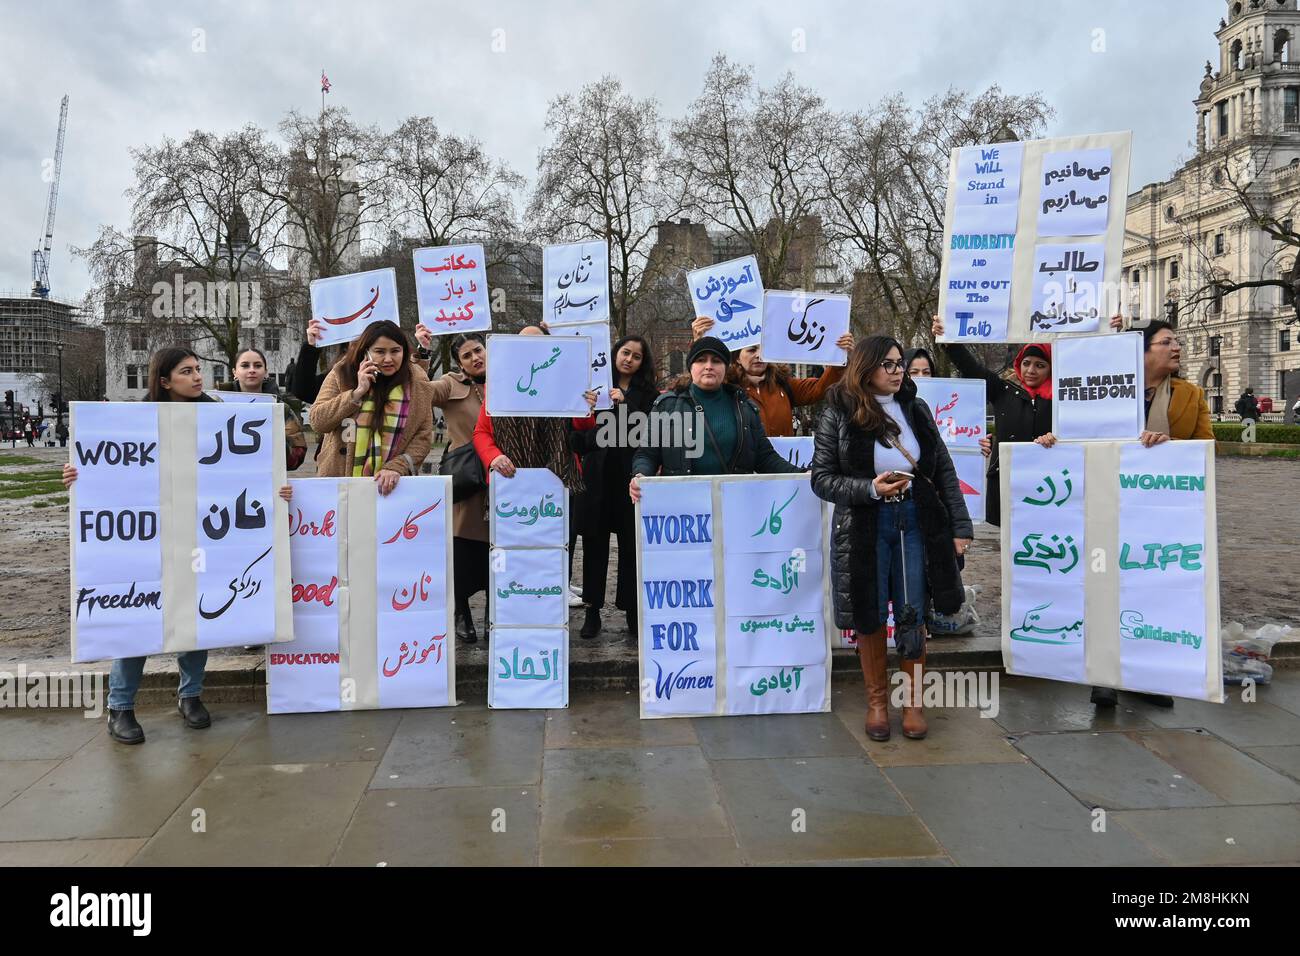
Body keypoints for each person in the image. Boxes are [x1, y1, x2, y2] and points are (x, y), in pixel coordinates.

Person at [61, 347, 293, 745]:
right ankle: (121, 707)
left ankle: (190, 696)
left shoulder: (220, 418)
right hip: (148, 537)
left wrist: (276, 490)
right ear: (165, 380)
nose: (198, 377)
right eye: (187, 372)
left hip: (203, 534)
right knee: (139, 618)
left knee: (196, 613)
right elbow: (108, 470)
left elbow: (251, 470)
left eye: (199, 369)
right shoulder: (131, 424)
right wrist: (77, 476)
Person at [1044, 319, 1212, 710]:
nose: (1177, 347)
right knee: (1106, 588)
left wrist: (1170, 447)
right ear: (1144, 349)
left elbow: (1207, 450)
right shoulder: (1106, 388)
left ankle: (1145, 675)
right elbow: (1077, 435)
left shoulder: (1191, 394)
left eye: (1178, 341)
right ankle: (1104, 678)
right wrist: (1051, 441)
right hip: (1107, 504)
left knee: (1151, 592)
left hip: (1160, 512)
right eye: (1167, 341)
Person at [811, 335, 973, 741]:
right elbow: (822, 478)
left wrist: (959, 527)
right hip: (865, 525)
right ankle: (878, 703)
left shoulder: (915, 409)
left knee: (912, 609)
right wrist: (869, 489)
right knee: (869, 612)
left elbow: (944, 472)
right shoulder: (839, 410)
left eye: (901, 363)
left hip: (916, 520)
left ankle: (913, 704)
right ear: (866, 367)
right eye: (889, 364)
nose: (898, 371)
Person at [629, 336, 802, 501]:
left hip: (734, 504)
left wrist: (802, 475)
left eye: (716, 361)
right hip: (683, 506)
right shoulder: (666, 406)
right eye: (701, 360)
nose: (709, 366)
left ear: (726, 368)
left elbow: (765, 457)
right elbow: (647, 454)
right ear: (691, 367)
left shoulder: (745, 408)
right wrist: (640, 475)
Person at [569, 334, 658, 639]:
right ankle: (592, 610)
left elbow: (653, 431)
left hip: (632, 479)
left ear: (642, 362)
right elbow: (576, 439)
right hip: (596, 479)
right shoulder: (592, 387)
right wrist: (589, 413)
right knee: (594, 546)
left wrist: (627, 404)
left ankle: (632, 610)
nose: (629, 359)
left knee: (632, 548)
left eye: (636, 356)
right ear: (615, 353)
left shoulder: (648, 394)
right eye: (625, 352)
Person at [930, 314, 1052, 526]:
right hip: (1006, 481)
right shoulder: (1003, 390)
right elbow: (971, 368)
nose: (1031, 370)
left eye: (1040, 365)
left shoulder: (1061, 398)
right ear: (1018, 364)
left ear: (1051, 368)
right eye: (1027, 363)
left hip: (1047, 483)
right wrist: (949, 341)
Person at [413, 325, 491, 644]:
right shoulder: (450, 384)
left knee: (497, 550)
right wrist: (421, 353)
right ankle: (461, 611)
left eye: (478, 350)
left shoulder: (510, 378)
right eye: (467, 355)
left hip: (503, 476)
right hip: (467, 477)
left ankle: (494, 612)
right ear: (459, 363)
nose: (474, 357)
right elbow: (419, 393)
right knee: (462, 548)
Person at [308, 321, 435, 494]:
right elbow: (317, 421)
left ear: (404, 352)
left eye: (395, 351)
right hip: (340, 485)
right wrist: (356, 393)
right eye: (380, 352)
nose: (388, 359)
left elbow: (423, 436)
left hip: (392, 488)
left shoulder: (418, 382)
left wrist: (397, 467)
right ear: (366, 352)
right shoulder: (342, 372)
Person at [691, 316, 853, 438]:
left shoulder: (783, 384)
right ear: (738, 358)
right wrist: (699, 342)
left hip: (780, 469)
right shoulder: (725, 388)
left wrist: (839, 357)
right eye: (751, 350)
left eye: (763, 349)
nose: (759, 355)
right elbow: (700, 382)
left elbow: (819, 389)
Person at [216, 346, 307, 470]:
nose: (252, 370)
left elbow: (297, 458)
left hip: (267, 482)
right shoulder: (216, 406)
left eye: (258, 366)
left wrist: (277, 443)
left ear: (265, 372)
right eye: (245, 365)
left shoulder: (281, 409)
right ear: (234, 372)